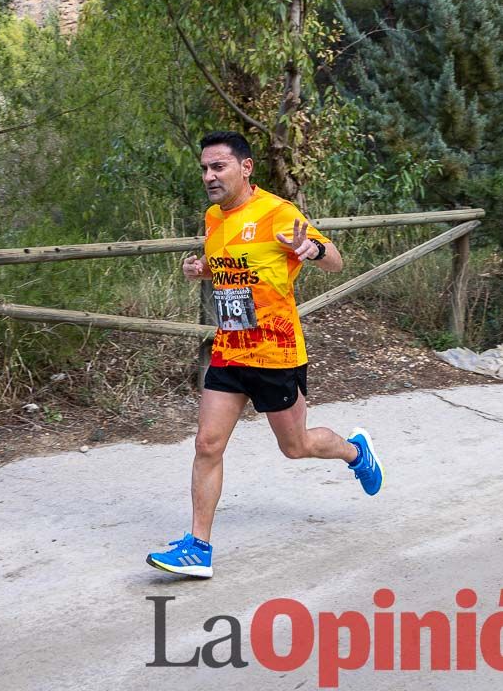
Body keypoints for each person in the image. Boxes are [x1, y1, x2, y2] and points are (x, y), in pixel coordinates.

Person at [146, 131, 383, 579]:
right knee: (207, 444)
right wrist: (199, 270)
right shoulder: (213, 218)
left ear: (246, 167)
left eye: (219, 167)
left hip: (276, 353)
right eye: (204, 168)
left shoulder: (277, 211)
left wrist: (309, 249)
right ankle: (198, 548)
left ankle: (355, 452)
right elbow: (230, 269)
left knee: (296, 446)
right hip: (230, 350)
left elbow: (334, 259)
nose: (209, 176)